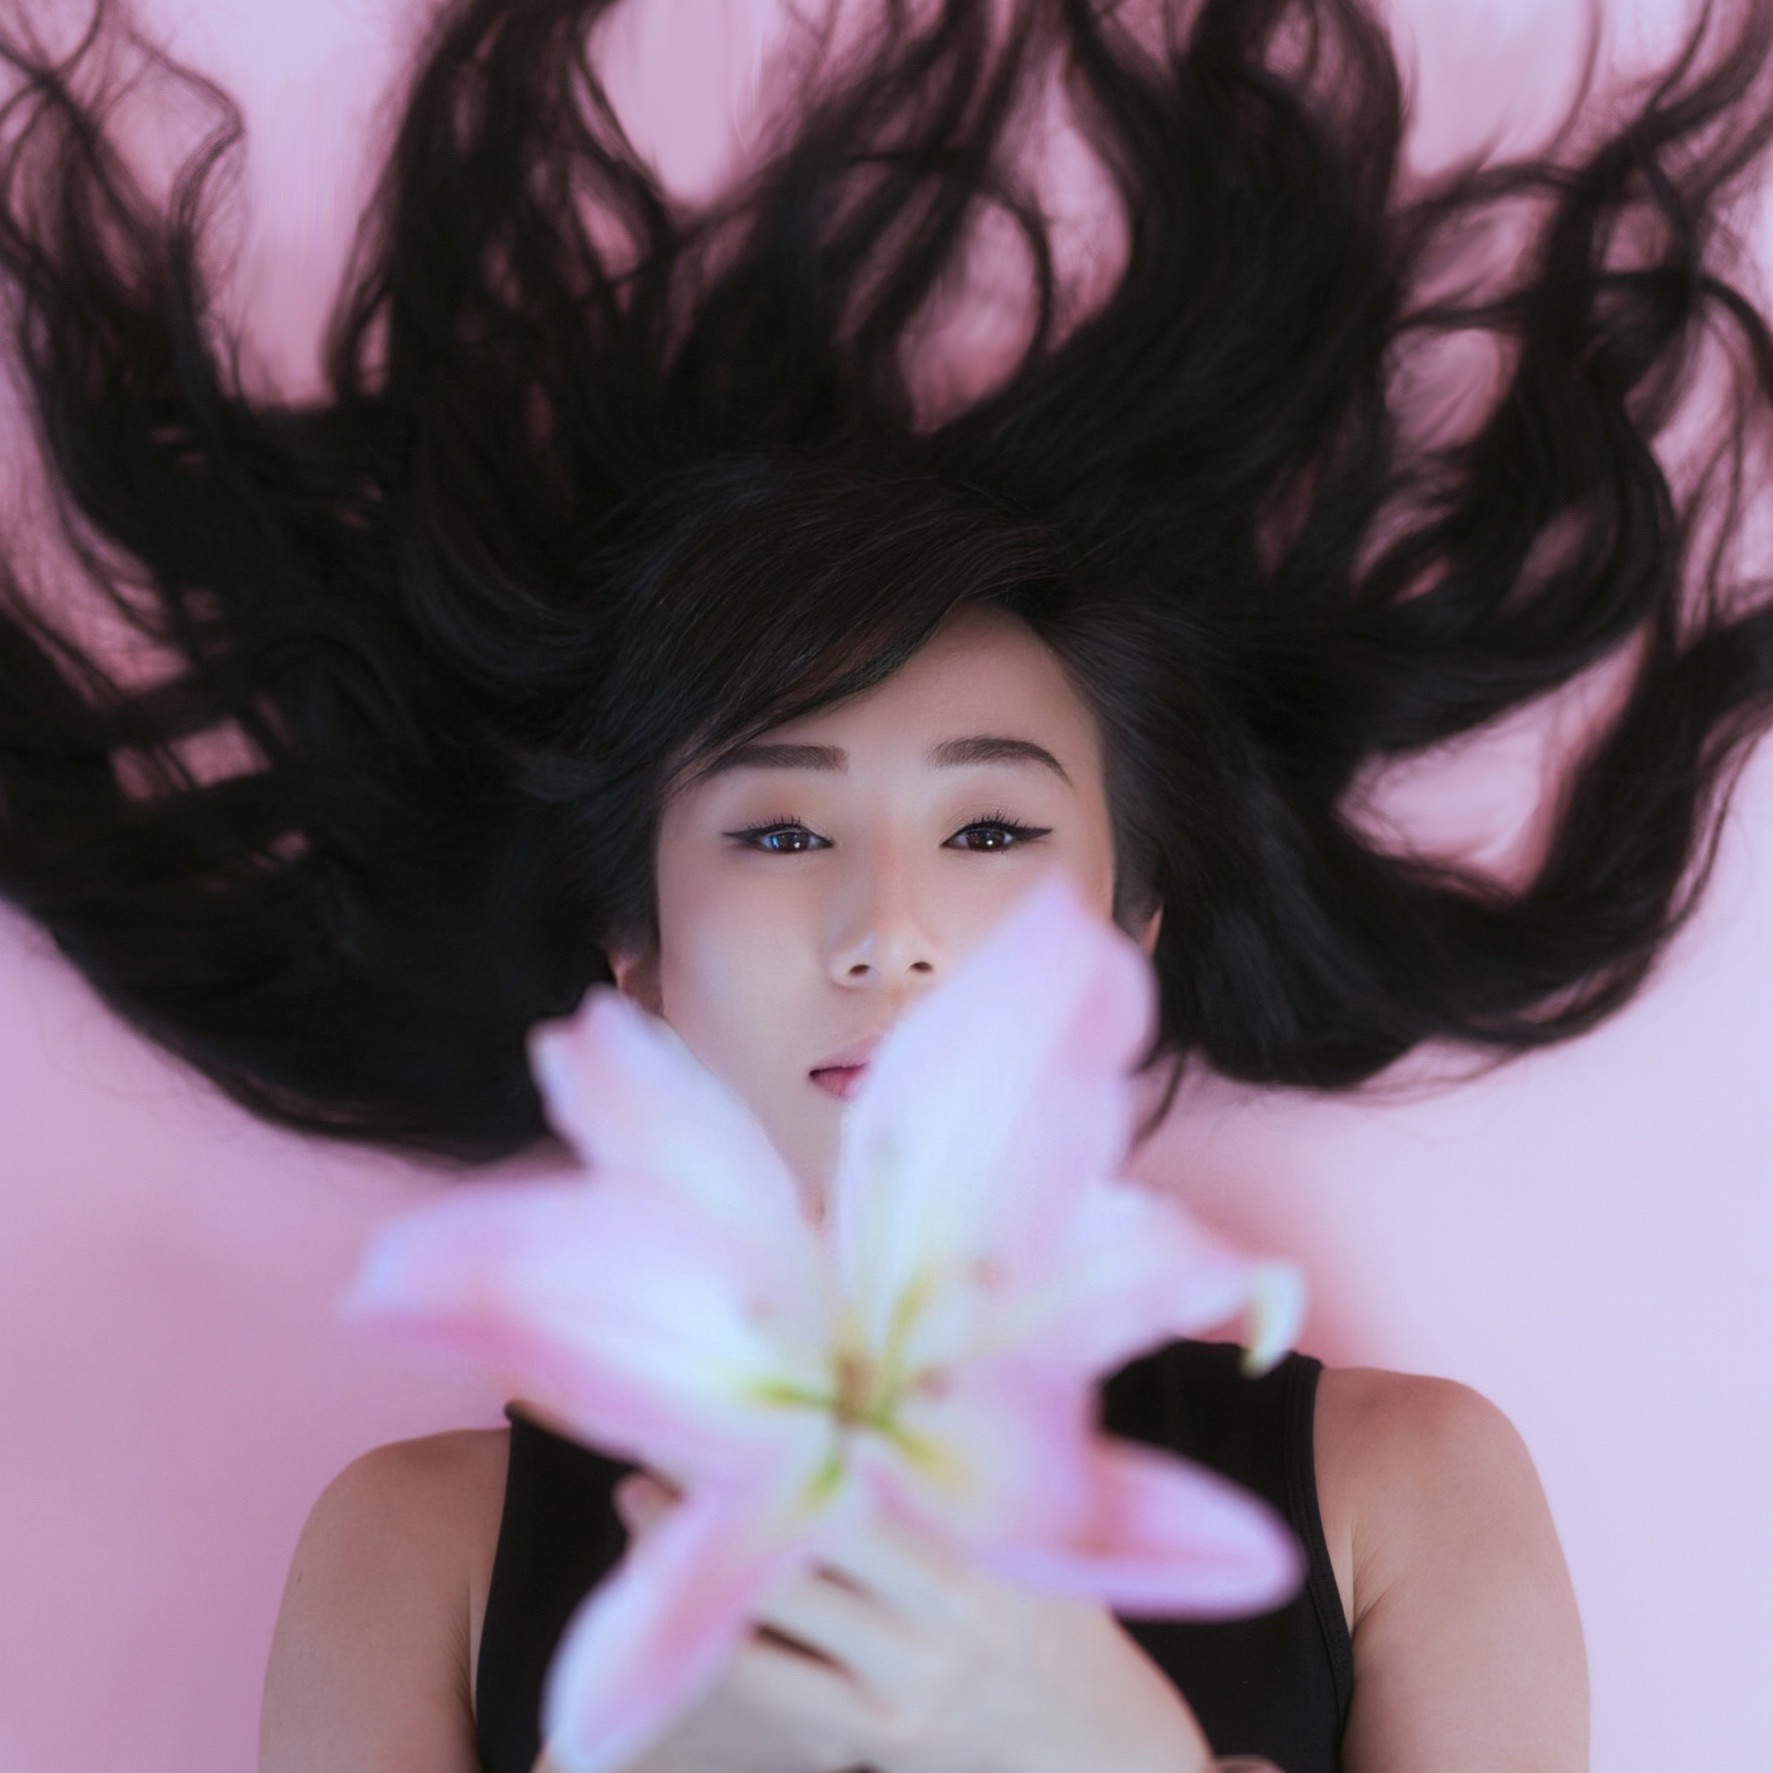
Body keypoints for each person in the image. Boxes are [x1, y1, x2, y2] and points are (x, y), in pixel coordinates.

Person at [0, 0, 1770, 1767]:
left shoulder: (1405, 1491)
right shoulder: (419, 1553)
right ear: (638, 952)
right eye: (778, 833)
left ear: (1126, 945)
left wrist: (1097, 1749)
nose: (888, 929)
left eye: (992, 832)